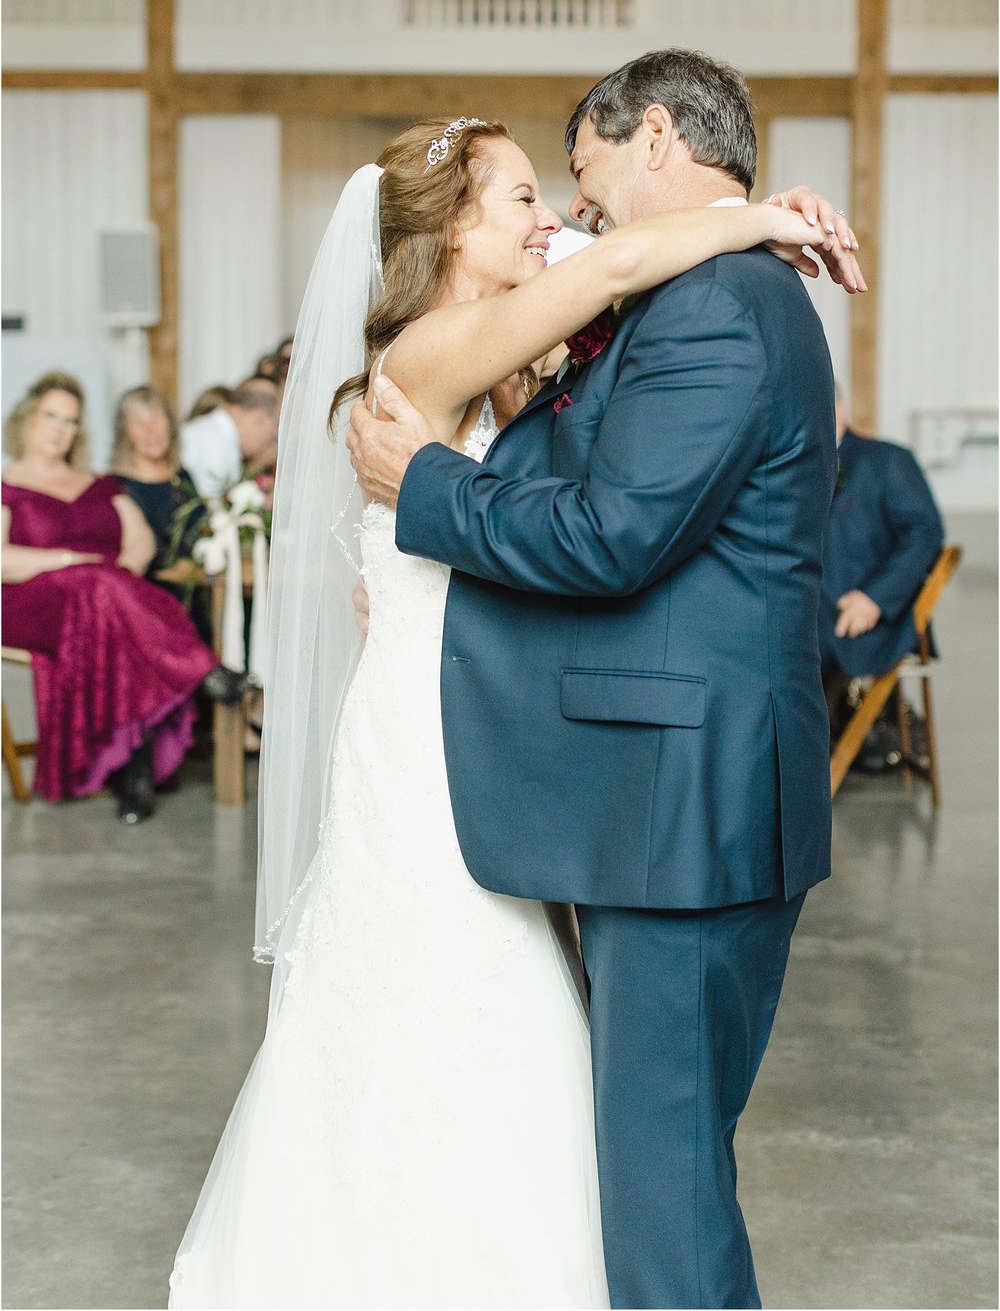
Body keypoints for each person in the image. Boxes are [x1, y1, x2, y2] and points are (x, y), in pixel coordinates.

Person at [169, 101, 860, 1308]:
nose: (554, 217)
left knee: (530, 1027)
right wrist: (764, 213)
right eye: (522, 200)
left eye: (557, 190)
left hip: (501, 721)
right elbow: (628, 256)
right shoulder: (426, 360)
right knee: (436, 1001)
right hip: (430, 737)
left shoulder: (520, 357)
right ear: (448, 231)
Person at [2, 372, 248, 824]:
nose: (61, 429)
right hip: (28, 604)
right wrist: (71, 561)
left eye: (71, 421)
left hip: (99, 603)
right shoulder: (8, 485)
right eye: (51, 416)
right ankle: (202, 672)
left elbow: (140, 543)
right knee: (102, 586)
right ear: (27, 419)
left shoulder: (96, 483)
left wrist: (120, 580)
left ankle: (136, 773)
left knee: (115, 604)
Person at [820, 388, 945, 758]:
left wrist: (875, 598)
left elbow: (926, 534)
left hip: (866, 616)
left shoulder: (887, 460)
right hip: (807, 610)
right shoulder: (792, 466)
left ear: (839, 407)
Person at [111, 385, 205, 570]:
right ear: (125, 433)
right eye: (138, 422)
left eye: (156, 418)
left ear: (170, 423)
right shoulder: (118, 487)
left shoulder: (182, 476)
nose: (150, 430)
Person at [179, 378, 280, 498]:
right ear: (259, 419)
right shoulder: (217, 441)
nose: (264, 446)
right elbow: (211, 506)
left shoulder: (213, 431)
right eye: (269, 437)